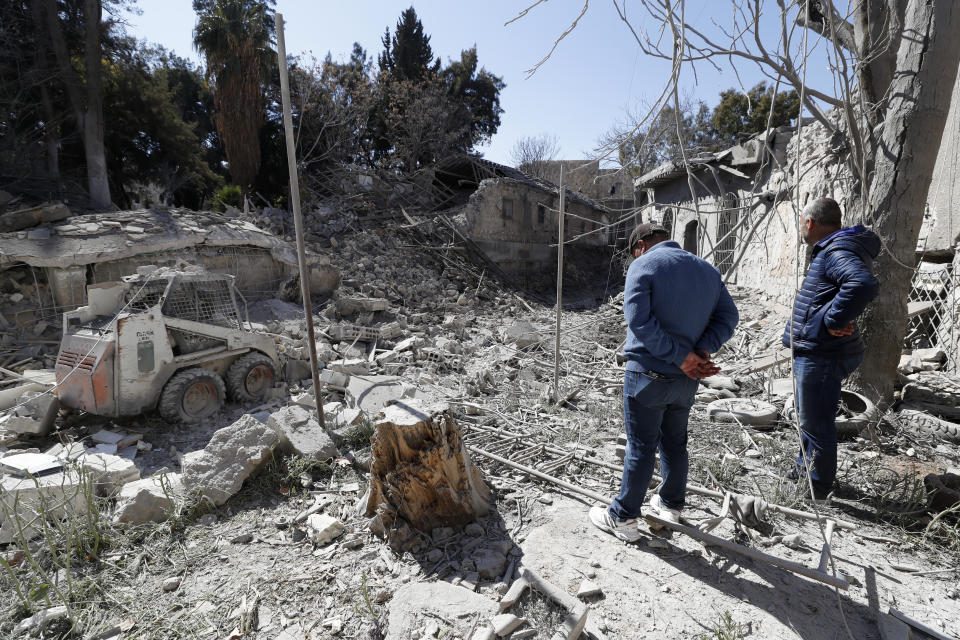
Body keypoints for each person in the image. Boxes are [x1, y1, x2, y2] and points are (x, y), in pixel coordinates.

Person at [590, 222, 739, 542]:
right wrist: (698, 350)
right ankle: (670, 506)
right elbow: (729, 318)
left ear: (639, 246)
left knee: (641, 446)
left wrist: (680, 355)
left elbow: (640, 323)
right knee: (675, 442)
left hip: (647, 375)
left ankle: (624, 517)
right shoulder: (707, 271)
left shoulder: (643, 265)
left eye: (634, 254)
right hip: (686, 380)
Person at [782, 197, 879, 501]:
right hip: (821, 349)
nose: (801, 227)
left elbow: (862, 284)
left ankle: (817, 489)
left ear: (809, 223)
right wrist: (832, 317)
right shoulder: (836, 247)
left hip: (823, 352)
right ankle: (804, 471)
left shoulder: (836, 249)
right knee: (811, 418)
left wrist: (833, 318)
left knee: (816, 421)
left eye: (802, 222)